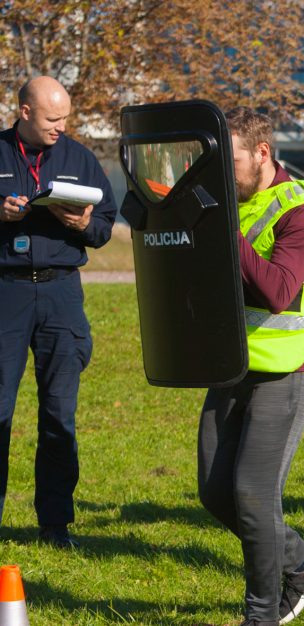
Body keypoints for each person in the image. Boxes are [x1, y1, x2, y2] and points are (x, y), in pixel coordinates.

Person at [196, 107, 304, 626]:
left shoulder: (303, 211)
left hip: (288, 367)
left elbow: (279, 292)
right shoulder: (224, 196)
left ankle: (262, 611)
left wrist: (222, 230)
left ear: (262, 153)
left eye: (229, 160)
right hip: (231, 363)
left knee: (254, 497)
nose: (221, 173)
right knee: (214, 492)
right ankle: (302, 562)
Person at [0, 76, 116, 548]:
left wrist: (86, 223)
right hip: (5, 291)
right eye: (52, 118)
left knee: (58, 412)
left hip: (62, 294)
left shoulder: (80, 157)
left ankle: (55, 523)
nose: (60, 127)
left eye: (65, 117)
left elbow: (107, 224)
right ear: (24, 112)